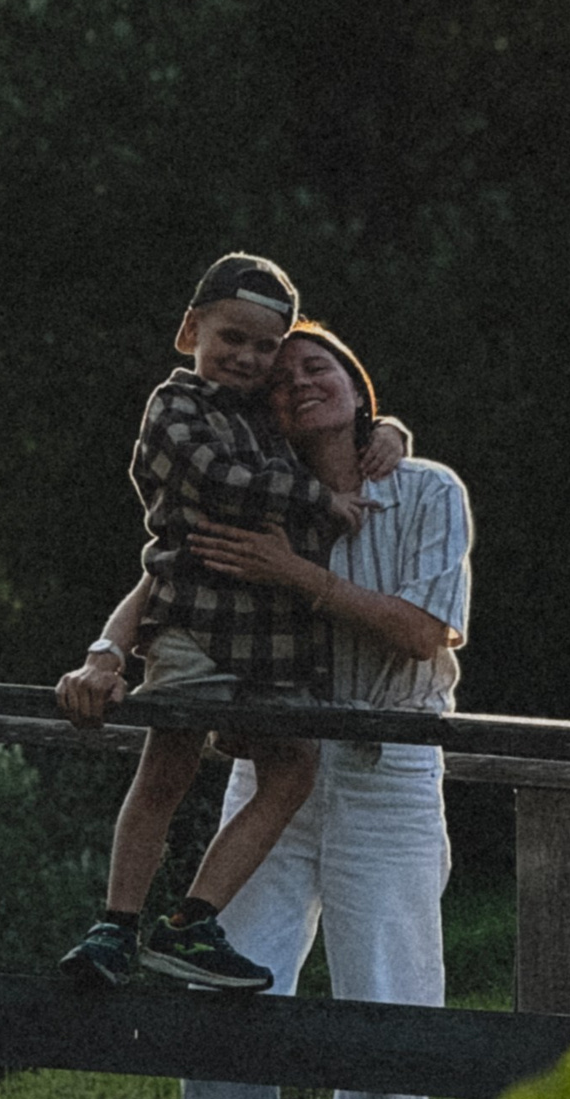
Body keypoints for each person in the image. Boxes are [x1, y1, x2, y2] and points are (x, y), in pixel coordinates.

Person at [58, 319, 470, 1099]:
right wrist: (108, 650)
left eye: (317, 365)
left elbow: (426, 629)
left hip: (384, 775)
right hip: (271, 769)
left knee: (388, 1012)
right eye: (282, 379)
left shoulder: (425, 489)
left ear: (357, 379)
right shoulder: (256, 482)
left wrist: (297, 574)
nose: (299, 383)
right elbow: (169, 570)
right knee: (225, 987)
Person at [58, 252, 363, 997]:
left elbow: (340, 416)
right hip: (195, 622)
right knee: (169, 763)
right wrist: (321, 499)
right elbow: (221, 480)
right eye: (233, 337)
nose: (250, 358)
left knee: (293, 768)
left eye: (266, 347)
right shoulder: (175, 406)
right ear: (191, 327)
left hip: (269, 642)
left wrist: (384, 436)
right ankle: (116, 922)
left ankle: (192, 920)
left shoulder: (263, 410)